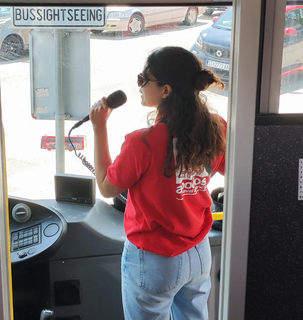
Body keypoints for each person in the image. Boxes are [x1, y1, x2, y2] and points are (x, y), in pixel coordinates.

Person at [89, 46, 226, 320]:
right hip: (198, 253)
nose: (138, 84)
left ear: (166, 90)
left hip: (154, 260)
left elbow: (106, 188)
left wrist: (99, 127)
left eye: (144, 79)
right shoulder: (216, 128)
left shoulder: (143, 142)